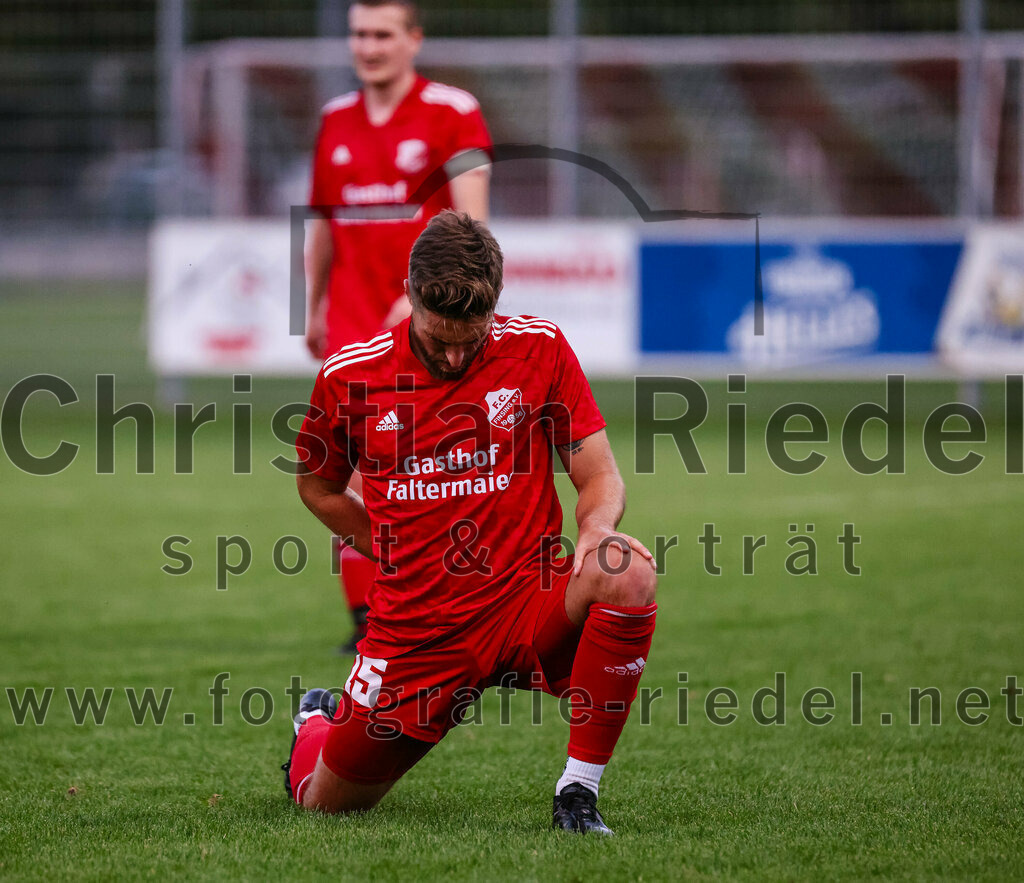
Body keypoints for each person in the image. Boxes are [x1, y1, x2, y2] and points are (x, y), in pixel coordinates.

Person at [284, 211, 657, 834]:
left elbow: (599, 474)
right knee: (327, 805)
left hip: (526, 600)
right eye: (439, 336)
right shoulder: (350, 375)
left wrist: (595, 529)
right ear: (409, 296)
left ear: (497, 303)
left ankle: (577, 792)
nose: (456, 353)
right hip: (417, 630)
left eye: (471, 336)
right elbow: (317, 488)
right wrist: (388, 546)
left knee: (628, 571)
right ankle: (316, 724)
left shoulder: (540, 348)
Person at [305, 0, 492, 651]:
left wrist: (426, 302)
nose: (368, 46)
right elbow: (325, 221)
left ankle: (460, 605)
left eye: (382, 34)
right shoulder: (334, 120)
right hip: (353, 328)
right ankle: (370, 622)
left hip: (428, 329)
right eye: (359, 34)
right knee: (353, 477)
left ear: (414, 39)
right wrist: (313, 304)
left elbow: (471, 225)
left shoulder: (453, 111)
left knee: (442, 472)